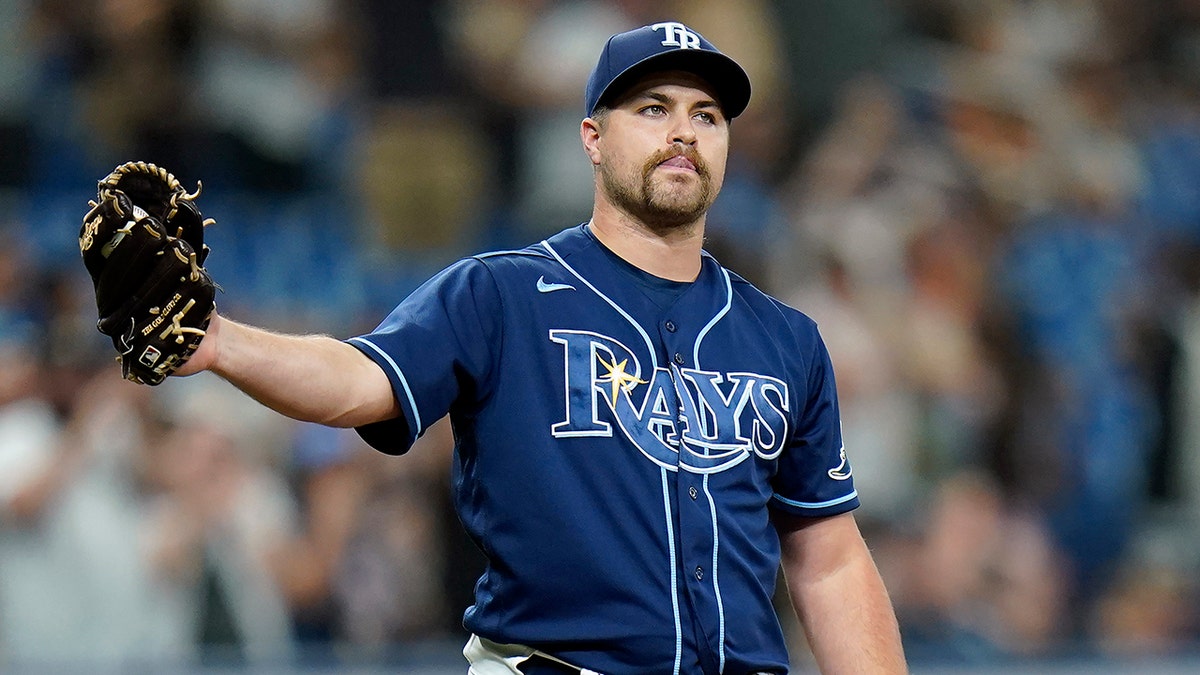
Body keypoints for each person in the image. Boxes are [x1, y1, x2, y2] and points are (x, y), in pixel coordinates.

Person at [172, 21, 907, 674]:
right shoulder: (501, 296)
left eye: (706, 115)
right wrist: (222, 340)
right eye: (654, 109)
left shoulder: (784, 338)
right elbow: (358, 378)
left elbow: (830, 559)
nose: (684, 131)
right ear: (592, 137)